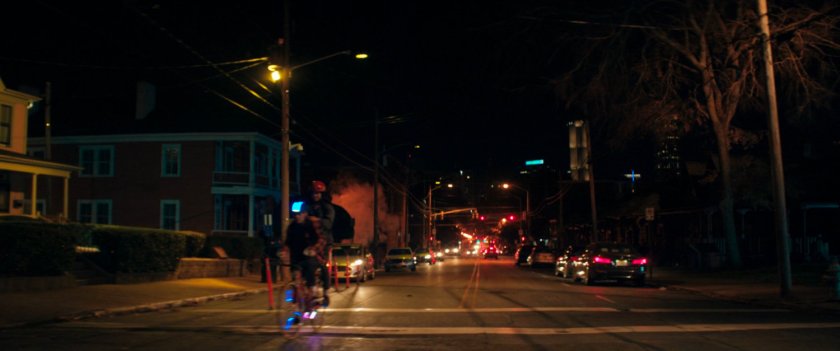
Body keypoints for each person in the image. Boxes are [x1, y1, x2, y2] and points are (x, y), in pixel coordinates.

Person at [284, 202, 329, 305]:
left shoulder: (314, 223)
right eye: (295, 214)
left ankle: (316, 293)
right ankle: (296, 302)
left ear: (305, 213)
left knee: (312, 267)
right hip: (297, 256)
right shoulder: (292, 226)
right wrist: (284, 250)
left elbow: (322, 239)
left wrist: (313, 249)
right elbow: (288, 242)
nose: (297, 216)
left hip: (313, 255)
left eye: (299, 214)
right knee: (295, 273)